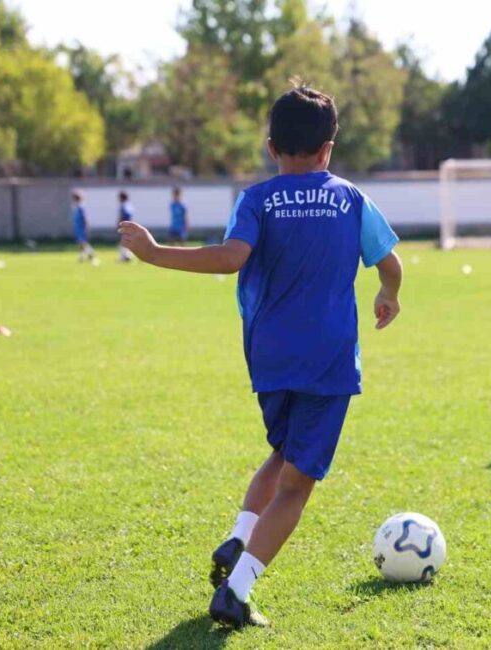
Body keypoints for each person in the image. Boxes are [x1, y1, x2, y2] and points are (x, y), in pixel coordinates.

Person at [117, 85, 403, 630]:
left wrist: (153, 253)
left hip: (269, 358)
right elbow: (389, 264)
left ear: (272, 147)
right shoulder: (349, 199)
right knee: (296, 484)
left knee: (281, 454)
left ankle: (238, 538)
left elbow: (230, 259)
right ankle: (237, 591)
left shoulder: (256, 200)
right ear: (329, 148)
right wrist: (389, 296)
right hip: (328, 363)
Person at [70, 191, 95, 263]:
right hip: (78, 228)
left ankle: (91, 254)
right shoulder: (76, 208)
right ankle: (81, 258)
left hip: (81, 228)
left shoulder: (81, 207)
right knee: (80, 244)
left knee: (83, 243)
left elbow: (85, 218)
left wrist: (86, 227)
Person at [117, 190, 135, 262]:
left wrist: (119, 224)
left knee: (123, 242)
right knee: (127, 241)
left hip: (125, 226)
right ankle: (127, 256)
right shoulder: (129, 205)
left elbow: (122, 216)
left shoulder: (123, 206)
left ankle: (124, 257)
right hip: (130, 225)